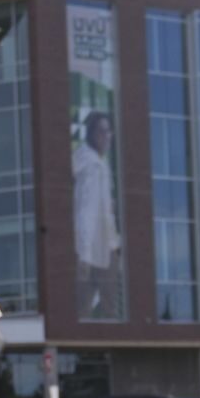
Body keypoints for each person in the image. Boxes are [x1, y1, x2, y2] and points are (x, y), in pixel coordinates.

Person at [71, 110, 121, 318]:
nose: (106, 136)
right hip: (98, 250)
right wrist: (84, 255)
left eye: (109, 132)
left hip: (99, 247)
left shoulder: (96, 163)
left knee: (84, 309)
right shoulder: (92, 167)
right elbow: (86, 212)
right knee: (110, 309)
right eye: (102, 131)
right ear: (90, 134)